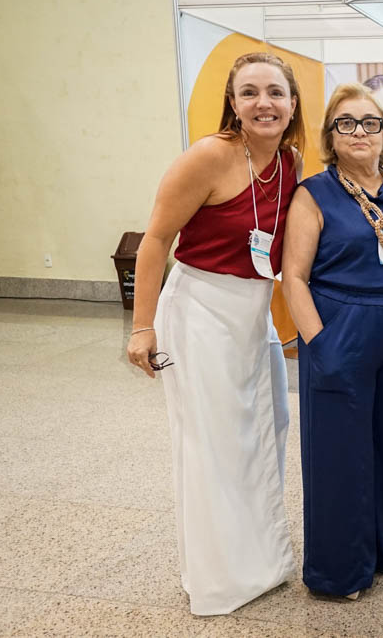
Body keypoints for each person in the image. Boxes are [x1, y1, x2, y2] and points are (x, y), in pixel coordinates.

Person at [125, 52, 304, 615]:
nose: (263, 103)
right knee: (213, 444)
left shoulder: (291, 161)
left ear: (292, 103)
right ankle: (221, 576)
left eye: (275, 92)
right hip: (199, 310)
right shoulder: (208, 156)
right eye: (249, 92)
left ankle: (262, 558)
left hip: (253, 314)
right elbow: (154, 242)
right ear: (232, 102)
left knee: (265, 428)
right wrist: (142, 328)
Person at [282, 83, 383, 600]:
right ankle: (340, 571)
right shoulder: (314, 194)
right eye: (346, 123)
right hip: (340, 326)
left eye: (370, 122)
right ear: (331, 135)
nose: (359, 131)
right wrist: (319, 345)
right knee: (340, 454)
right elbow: (293, 277)